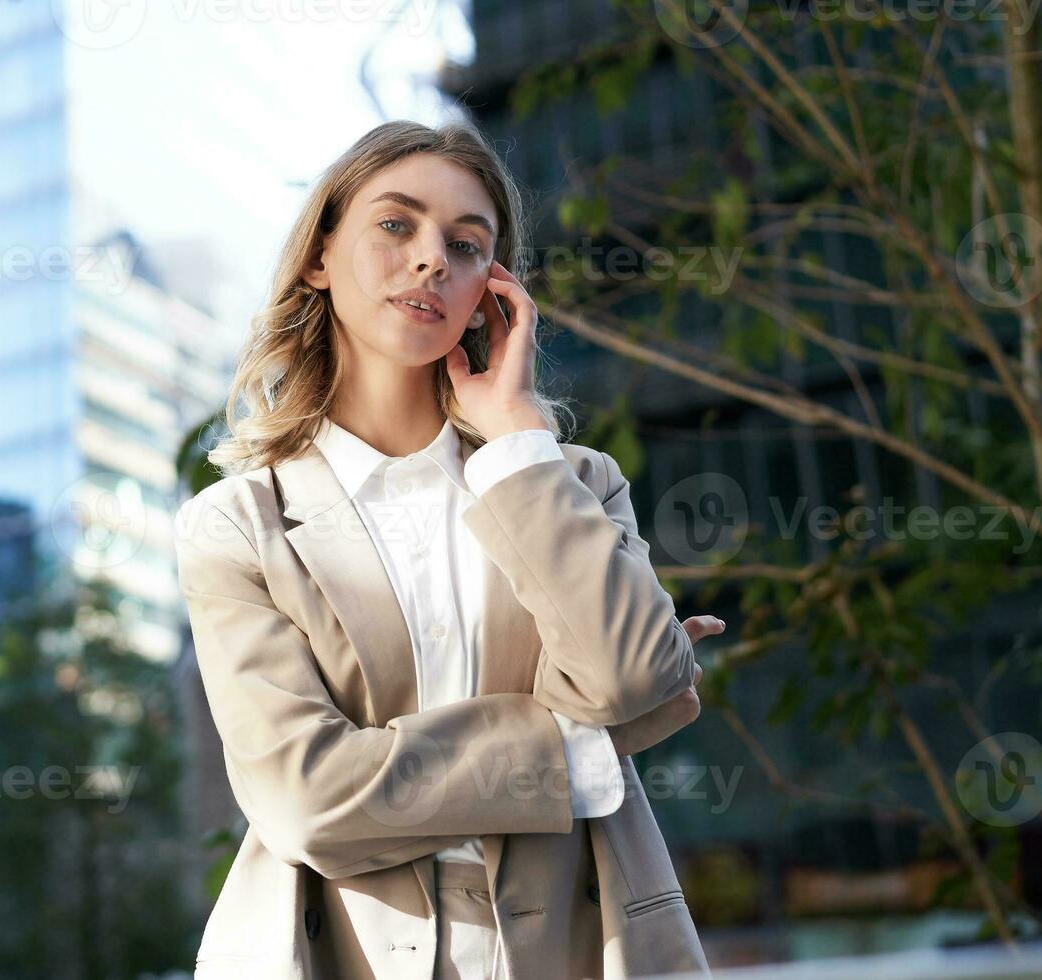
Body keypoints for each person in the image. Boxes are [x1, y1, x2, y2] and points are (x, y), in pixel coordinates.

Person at [174, 119, 721, 979]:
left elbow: (630, 679)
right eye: (396, 225)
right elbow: (308, 797)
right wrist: (578, 750)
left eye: (467, 246)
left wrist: (514, 446)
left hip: (580, 947)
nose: (432, 258)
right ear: (318, 257)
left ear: (492, 291)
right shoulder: (238, 524)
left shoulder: (568, 481)